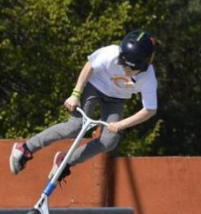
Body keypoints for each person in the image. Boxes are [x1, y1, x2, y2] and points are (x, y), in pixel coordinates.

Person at [9, 29, 158, 181]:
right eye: (123, 64)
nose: (125, 69)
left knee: (109, 141)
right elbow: (90, 66)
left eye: (130, 68)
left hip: (116, 99)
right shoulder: (111, 53)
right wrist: (75, 94)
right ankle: (26, 148)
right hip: (94, 86)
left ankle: (65, 161)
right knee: (75, 126)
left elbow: (149, 110)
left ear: (144, 65)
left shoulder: (148, 79)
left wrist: (121, 124)